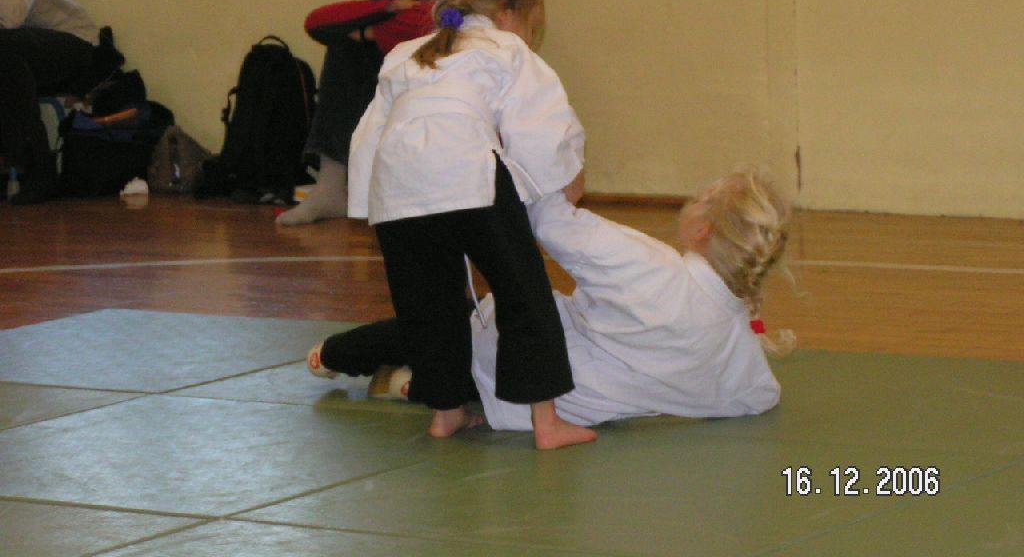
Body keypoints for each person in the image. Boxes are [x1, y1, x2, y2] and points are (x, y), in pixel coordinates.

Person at [308, 167, 793, 431]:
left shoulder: (650, 268)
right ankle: (410, 385)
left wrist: (557, 181)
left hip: (509, 362)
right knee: (463, 345)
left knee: (444, 322)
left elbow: (552, 226)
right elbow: (758, 397)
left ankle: (332, 355)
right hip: (544, 406)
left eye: (702, 198)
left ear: (702, 229)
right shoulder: (735, 338)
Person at [343, 0, 597, 450]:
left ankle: (446, 413)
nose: (530, 36)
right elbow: (541, 124)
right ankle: (546, 423)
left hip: (397, 183)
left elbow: (369, 132)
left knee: (427, 303)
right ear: (507, 13)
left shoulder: (406, 54)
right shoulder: (505, 48)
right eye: (532, 25)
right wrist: (564, 180)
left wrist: (369, 201)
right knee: (523, 291)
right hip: (466, 173)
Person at [276, 0, 466, 225]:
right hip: (392, 105)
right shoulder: (403, 13)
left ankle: (339, 186)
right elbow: (316, 22)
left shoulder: (471, 13)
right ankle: (330, 188)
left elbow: (428, 21)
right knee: (345, 48)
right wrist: (389, 6)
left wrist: (370, 32)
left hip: (447, 111)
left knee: (353, 42)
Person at [0, 0, 121, 204]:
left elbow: (11, 16)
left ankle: (37, 167)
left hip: (73, 47)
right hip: (17, 57)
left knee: (3, 49)